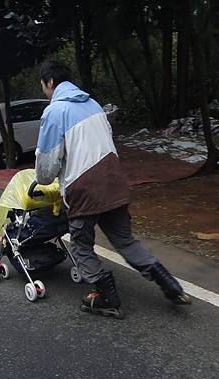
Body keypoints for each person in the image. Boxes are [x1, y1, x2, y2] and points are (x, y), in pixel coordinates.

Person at [34, 60, 190, 318]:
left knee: (81, 245)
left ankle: (106, 295)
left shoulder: (55, 111)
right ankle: (170, 285)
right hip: (115, 182)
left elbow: (47, 167)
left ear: (49, 82)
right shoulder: (93, 105)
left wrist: (42, 178)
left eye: (43, 86)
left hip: (84, 188)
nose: (45, 91)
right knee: (125, 240)